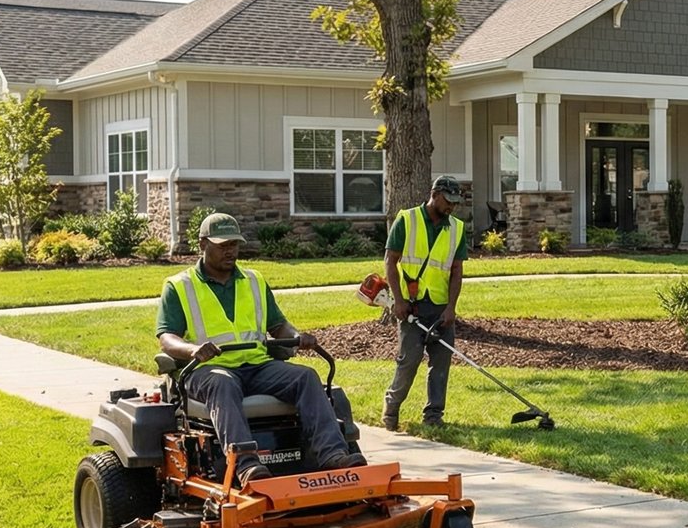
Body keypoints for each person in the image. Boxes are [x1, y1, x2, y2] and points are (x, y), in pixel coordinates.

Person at [156, 212, 358, 487]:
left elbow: (279, 326)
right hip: (207, 370)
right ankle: (247, 465)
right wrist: (192, 350)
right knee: (223, 384)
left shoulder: (254, 281)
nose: (231, 251)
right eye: (223, 245)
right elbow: (167, 337)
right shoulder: (180, 286)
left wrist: (298, 337)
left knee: (306, 376)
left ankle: (334, 455)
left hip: (257, 365)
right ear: (203, 245)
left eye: (234, 245)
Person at [383, 174, 469, 430]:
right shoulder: (406, 220)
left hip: (441, 307)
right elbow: (390, 261)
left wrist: (451, 307)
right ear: (435, 194)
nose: (451, 206)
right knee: (408, 361)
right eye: (448, 200)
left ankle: (433, 415)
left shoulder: (457, 228)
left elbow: (456, 270)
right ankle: (392, 409)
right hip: (412, 305)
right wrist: (398, 300)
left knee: (440, 363)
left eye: (455, 202)